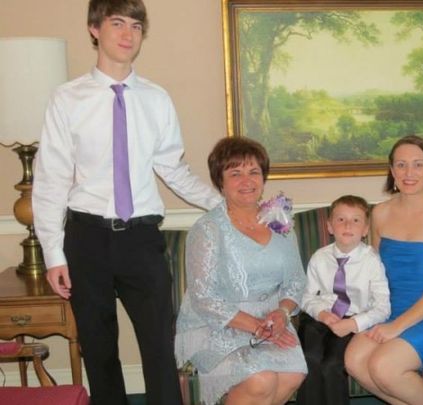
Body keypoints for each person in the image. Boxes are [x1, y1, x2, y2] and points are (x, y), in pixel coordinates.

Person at [32, 1, 222, 403]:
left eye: (135, 26)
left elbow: (174, 170)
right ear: (94, 28)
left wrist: (224, 205)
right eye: (117, 23)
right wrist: (53, 253)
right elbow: (51, 180)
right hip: (86, 238)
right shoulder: (67, 99)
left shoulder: (157, 99)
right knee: (99, 350)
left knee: (159, 348)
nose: (127, 34)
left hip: (141, 240)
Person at [174, 137, 307, 405]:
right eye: (235, 173)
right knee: (261, 380)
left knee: (292, 375)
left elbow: (296, 281)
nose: (247, 181)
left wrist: (282, 313)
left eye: (253, 172)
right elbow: (204, 298)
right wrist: (257, 326)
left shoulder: (279, 220)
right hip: (216, 324)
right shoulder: (208, 229)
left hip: (271, 320)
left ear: (263, 178)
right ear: (220, 182)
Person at [344, 135, 423, 405]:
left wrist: (396, 327)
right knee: (354, 360)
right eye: (401, 165)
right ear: (392, 170)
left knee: (384, 366)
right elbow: (375, 274)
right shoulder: (380, 213)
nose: (409, 173)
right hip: (388, 309)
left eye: (418, 164)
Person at [296, 195, 391, 405]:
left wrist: (353, 324)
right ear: (330, 226)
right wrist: (321, 313)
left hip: (353, 321)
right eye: (341, 219)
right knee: (309, 359)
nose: (348, 225)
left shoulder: (372, 261)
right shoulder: (319, 257)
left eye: (356, 220)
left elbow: (383, 307)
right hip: (320, 318)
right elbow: (306, 296)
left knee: (332, 365)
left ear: (365, 229)